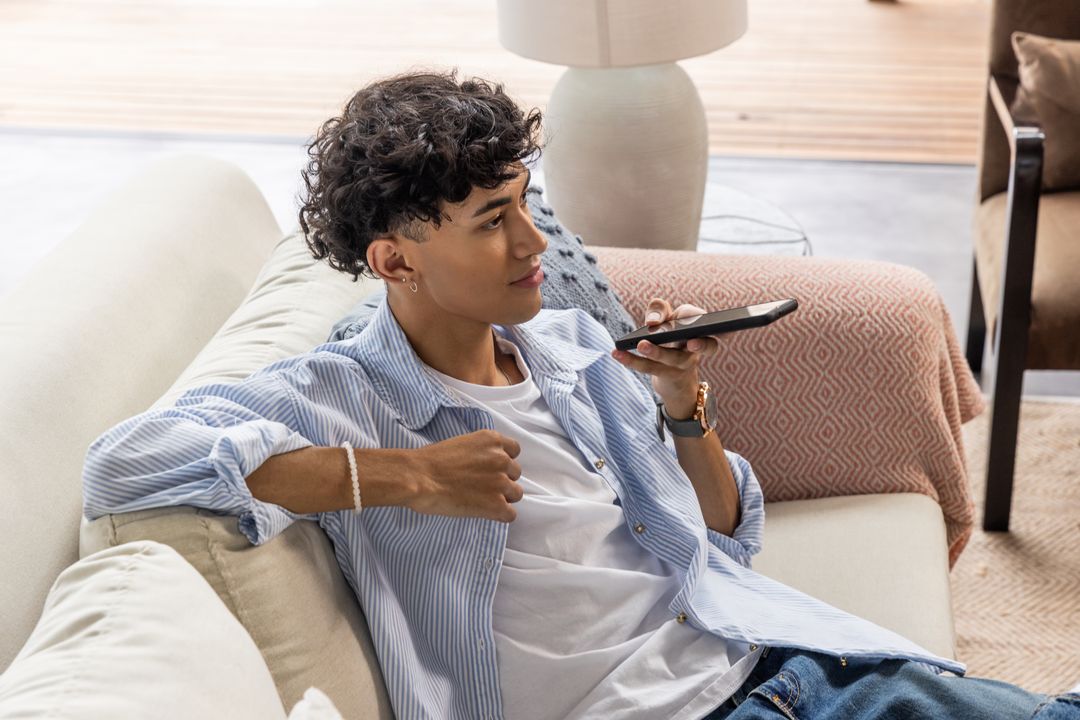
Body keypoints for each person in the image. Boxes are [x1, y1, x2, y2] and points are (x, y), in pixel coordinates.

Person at [82, 70, 1079, 720]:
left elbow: (724, 544)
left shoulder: (563, 349)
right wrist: (408, 478)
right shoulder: (344, 393)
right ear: (395, 259)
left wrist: (686, 409)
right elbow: (121, 465)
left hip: (776, 665)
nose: (533, 246)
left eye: (526, 206)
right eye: (489, 222)